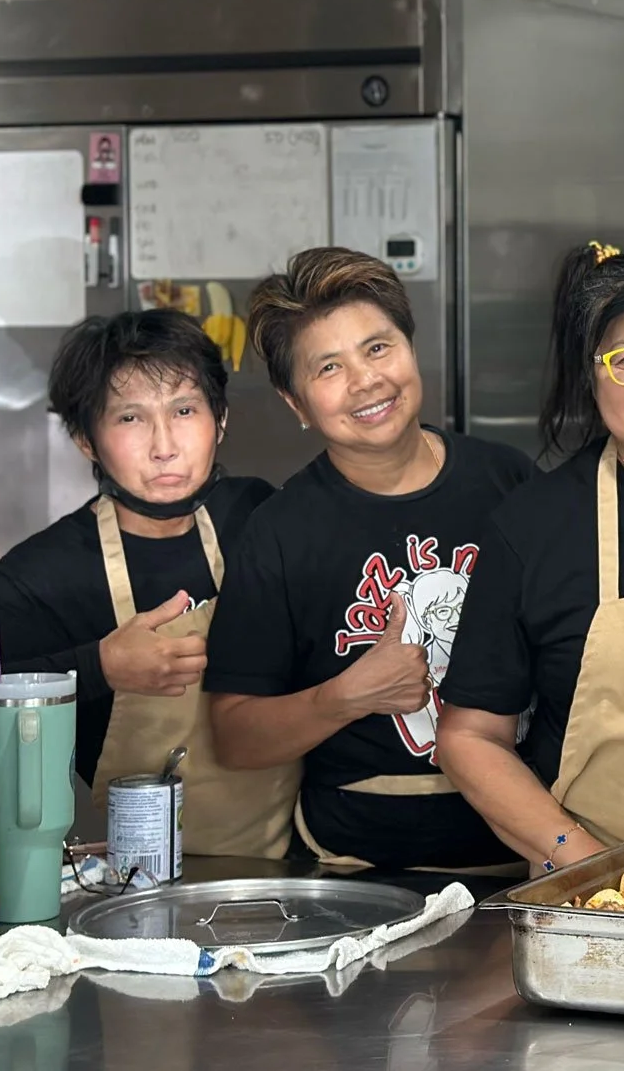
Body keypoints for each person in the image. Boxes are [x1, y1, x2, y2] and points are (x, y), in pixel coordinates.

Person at [205, 247, 534, 871]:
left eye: (378, 348)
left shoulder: (508, 481)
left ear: (410, 349)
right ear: (296, 402)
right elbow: (234, 736)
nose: (365, 380)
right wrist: (348, 695)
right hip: (355, 865)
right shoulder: (280, 530)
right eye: (328, 367)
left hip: (524, 854)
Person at [440, 245, 624, 871]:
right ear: (591, 375)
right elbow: (469, 738)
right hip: (606, 884)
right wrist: (589, 866)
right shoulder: (533, 526)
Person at [0, 310, 294, 858]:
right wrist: (98, 666)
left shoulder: (262, 517)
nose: (164, 444)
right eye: (130, 419)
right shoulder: (42, 574)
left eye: (184, 410)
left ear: (220, 420)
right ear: (85, 440)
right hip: (133, 883)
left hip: (290, 867)